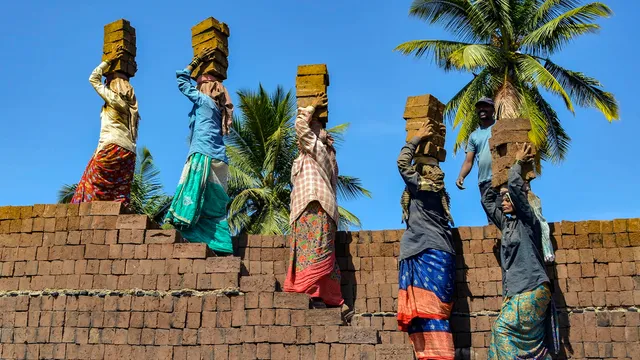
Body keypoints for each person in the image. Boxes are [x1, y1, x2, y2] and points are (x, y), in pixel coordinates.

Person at [482, 143, 558, 359]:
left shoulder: (528, 221)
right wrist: (497, 175)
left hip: (532, 288)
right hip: (515, 292)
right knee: (496, 347)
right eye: (503, 199)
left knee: (502, 330)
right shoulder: (507, 225)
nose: (504, 202)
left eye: (508, 200)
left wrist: (516, 163)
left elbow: (516, 189)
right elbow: (487, 202)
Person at [283, 93, 352, 319]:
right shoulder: (324, 153)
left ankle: (314, 294)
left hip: (314, 204)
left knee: (313, 252)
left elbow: (300, 126)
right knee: (321, 253)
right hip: (318, 207)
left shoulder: (317, 149)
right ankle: (323, 296)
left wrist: (310, 107)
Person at [164, 47, 234, 255]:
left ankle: (190, 233)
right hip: (220, 160)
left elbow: (181, 82)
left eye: (200, 83)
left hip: (202, 153)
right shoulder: (219, 110)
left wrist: (194, 62)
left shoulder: (204, 101)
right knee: (213, 204)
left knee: (193, 195)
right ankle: (219, 243)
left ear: (205, 88)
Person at [396, 125, 456, 360]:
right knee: (435, 315)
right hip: (444, 256)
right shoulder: (439, 192)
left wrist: (416, 137)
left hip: (424, 253)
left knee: (427, 314)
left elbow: (401, 164)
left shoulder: (420, 187)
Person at [72, 47, 140, 208]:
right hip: (129, 153)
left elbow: (93, 78)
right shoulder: (132, 108)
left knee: (90, 185)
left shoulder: (113, 99)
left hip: (112, 147)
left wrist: (109, 60)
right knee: (119, 195)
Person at [456, 97, 496, 222]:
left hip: (502, 178)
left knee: (506, 213)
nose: (482, 109)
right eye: (479, 107)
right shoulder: (474, 136)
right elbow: (469, 161)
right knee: (492, 219)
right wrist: (461, 176)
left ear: (493, 110)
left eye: (485, 106)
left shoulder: (500, 127)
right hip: (485, 181)